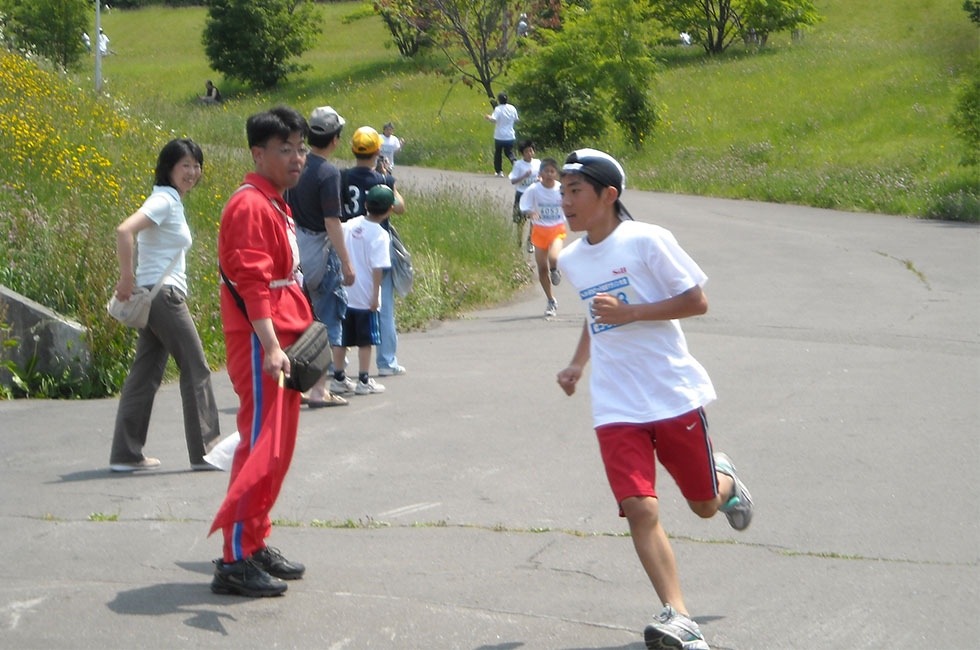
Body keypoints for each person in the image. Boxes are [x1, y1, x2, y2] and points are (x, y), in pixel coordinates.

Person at [554, 149, 754, 650]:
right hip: (616, 405)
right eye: (562, 191)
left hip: (670, 394)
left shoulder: (647, 240)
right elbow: (594, 312)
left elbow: (696, 300)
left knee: (704, 505)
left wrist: (632, 313)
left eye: (575, 191)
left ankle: (724, 481)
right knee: (640, 509)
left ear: (608, 195)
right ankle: (679, 617)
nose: (565, 201)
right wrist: (580, 362)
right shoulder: (574, 258)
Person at [210, 106, 312, 598]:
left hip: (282, 336)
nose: (297, 158)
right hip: (260, 340)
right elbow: (251, 281)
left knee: (278, 447)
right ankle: (233, 558)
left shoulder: (274, 201)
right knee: (258, 447)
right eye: (285, 149)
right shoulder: (250, 204)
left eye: (301, 148)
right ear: (258, 153)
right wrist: (271, 346)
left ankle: (254, 539)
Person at [108, 138, 221, 473]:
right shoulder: (165, 199)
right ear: (168, 167)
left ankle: (126, 454)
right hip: (163, 296)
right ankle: (206, 452)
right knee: (196, 366)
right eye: (185, 165)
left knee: (145, 375)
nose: (192, 172)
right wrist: (126, 279)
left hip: (155, 297)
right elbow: (124, 230)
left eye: (196, 165)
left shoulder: (171, 200)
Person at [285, 105, 351, 409]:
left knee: (302, 320)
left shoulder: (297, 167)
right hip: (322, 254)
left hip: (297, 250)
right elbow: (332, 221)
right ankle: (319, 389)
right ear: (335, 139)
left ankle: (297, 383)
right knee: (328, 318)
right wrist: (347, 262)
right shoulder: (328, 172)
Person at [339, 126, 407, 382]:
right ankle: (386, 360)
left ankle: (340, 356)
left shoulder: (343, 177)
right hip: (376, 239)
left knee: (344, 299)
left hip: (348, 239)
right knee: (383, 302)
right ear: (378, 151)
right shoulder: (383, 180)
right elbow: (399, 207)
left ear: (353, 150)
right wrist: (389, 179)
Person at [341, 184, 395, 395]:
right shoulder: (380, 235)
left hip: (345, 293)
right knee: (366, 341)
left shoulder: (350, 225)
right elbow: (377, 268)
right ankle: (364, 379)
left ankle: (338, 376)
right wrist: (376, 296)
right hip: (365, 296)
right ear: (390, 209)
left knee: (341, 339)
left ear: (365, 204)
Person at [519, 158, 566, 318]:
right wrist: (531, 213)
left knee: (553, 257)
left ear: (556, 174)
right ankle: (551, 300)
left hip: (557, 229)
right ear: (540, 173)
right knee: (541, 267)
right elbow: (524, 205)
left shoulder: (561, 189)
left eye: (552, 171)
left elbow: (571, 203)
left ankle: (555, 270)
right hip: (539, 230)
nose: (549, 174)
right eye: (546, 171)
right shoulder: (534, 189)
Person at [508, 138, 540, 253]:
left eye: (531, 151)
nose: (529, 153)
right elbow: (513, 180)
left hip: (534, 195)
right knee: (520, 221)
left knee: (534, 220)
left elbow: (542, 175)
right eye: (527, 151)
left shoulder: (538, 163)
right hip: (521, 194)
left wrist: (539, 179)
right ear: (522, 154)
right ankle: (519, 242)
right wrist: (524, 176)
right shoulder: (518, 165)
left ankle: (530, 241)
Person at [483, 92, 519, 177]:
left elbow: (493, 120)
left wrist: (488, 117)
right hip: (510, 135)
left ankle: (499, 171)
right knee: (509, 152)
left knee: (498, 153)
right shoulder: (512, 108)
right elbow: (516, 119)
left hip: (499, 136)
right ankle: (514, 161)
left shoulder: (498, 109)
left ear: (499, 100)